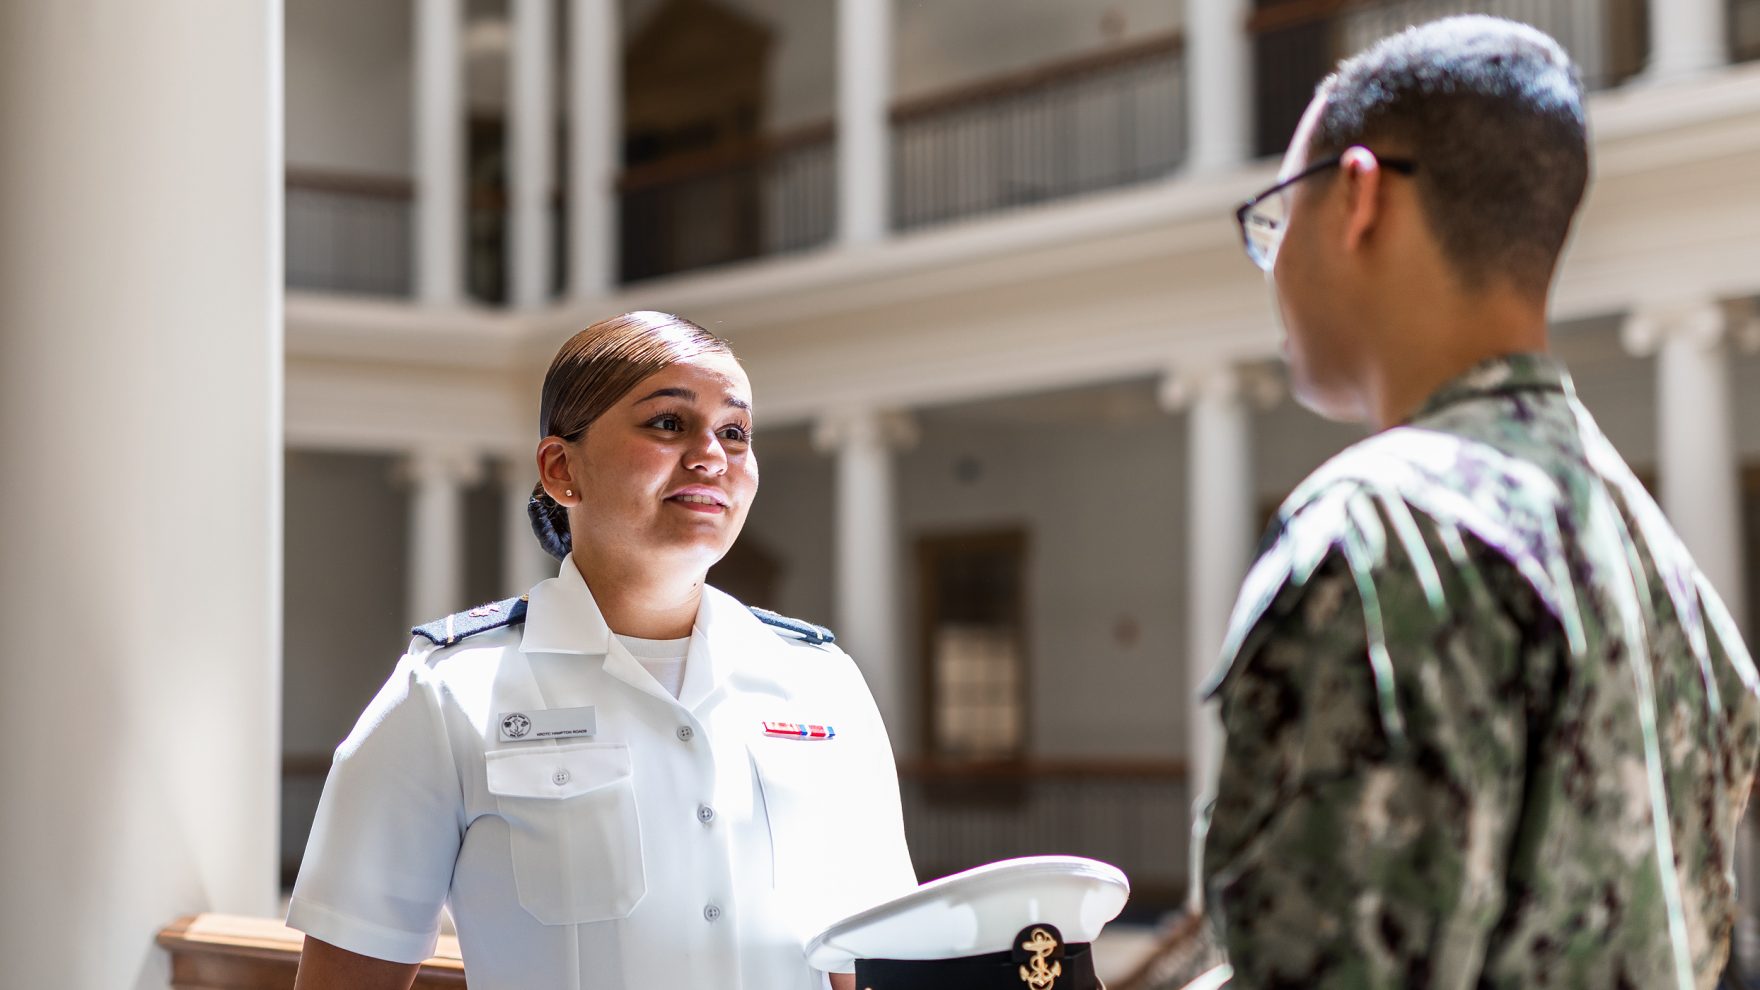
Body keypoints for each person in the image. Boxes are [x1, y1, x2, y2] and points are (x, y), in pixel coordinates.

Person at [1198, 16, 1760, 989]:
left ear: (1359, 198)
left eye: (1276, 217)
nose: (1272, 262)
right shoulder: (1671, 576)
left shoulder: (1376, 536)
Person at [287, 311, 917, 990]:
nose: (711, 454)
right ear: (562, 469)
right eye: (668, 424)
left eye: (734, 432)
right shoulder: (448, 694)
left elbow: (870, 962)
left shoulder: (822, 684)